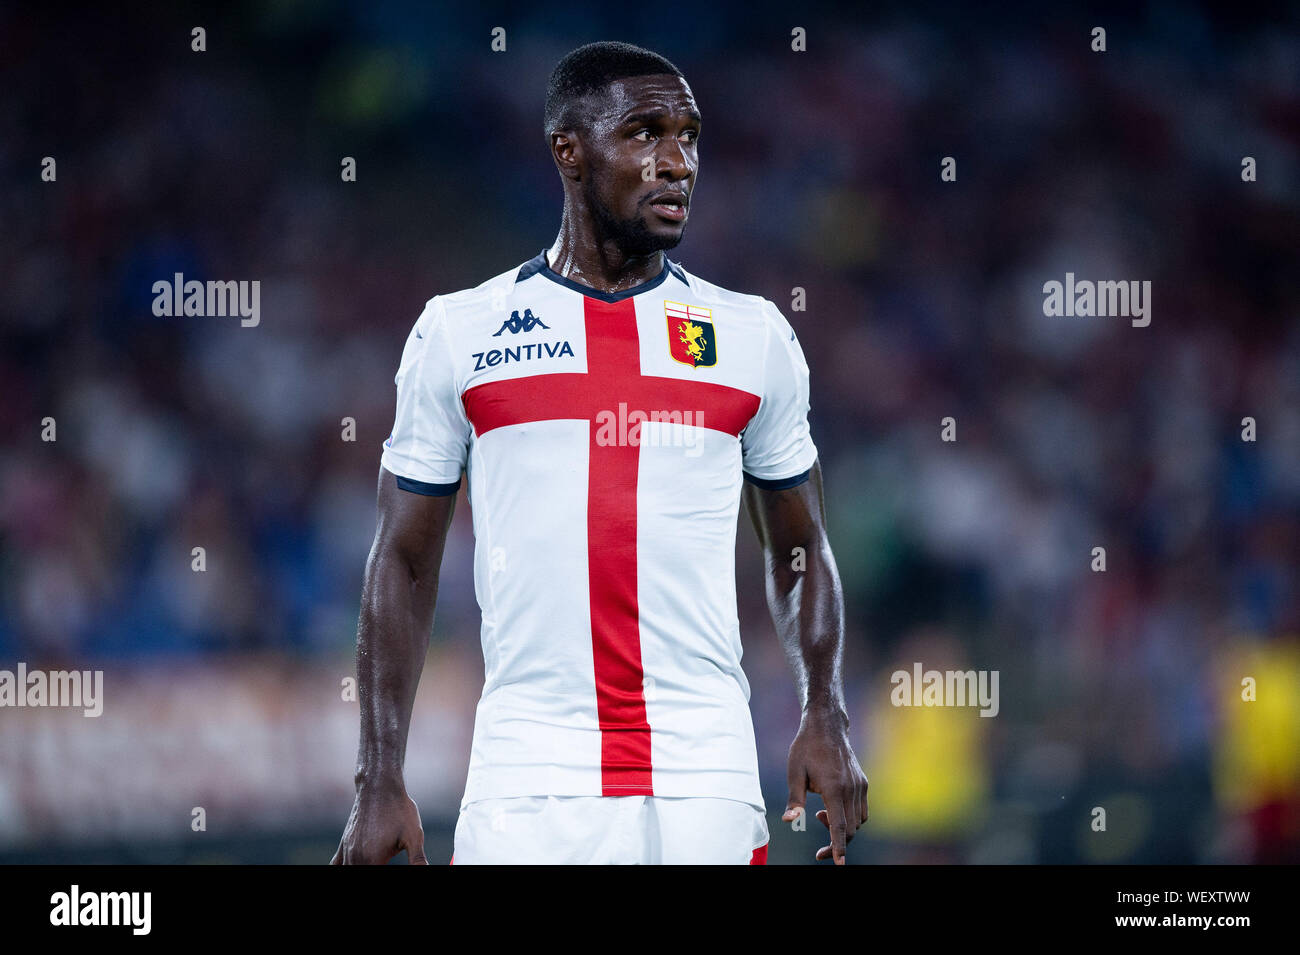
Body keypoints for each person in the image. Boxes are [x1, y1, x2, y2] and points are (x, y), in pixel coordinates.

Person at [332, 40, 867, 865]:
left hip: (706, 777)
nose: (677, 161)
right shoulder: (460, 333)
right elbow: (402, 559)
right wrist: (377, 777)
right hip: (527, 781)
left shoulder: (752, 335)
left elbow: (800, 544)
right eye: (646, 133)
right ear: (569, 152)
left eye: (689, 135)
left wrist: (823, 709)